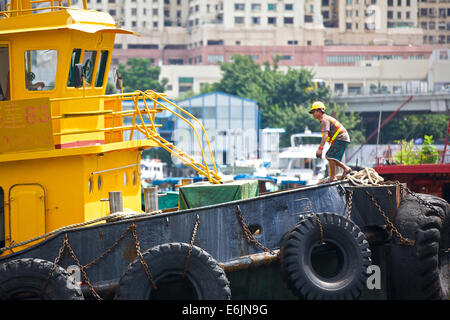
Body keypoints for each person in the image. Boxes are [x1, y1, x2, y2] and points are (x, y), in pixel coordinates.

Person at [309, 101, 352, 182]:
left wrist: (320, 148)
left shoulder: (324, 120)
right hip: (341, 138)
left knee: (329, 156)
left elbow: (325, 135)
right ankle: (346, 169)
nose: (313, 114)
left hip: (341, 138)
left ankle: (333, 177)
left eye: (313, 112)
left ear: (319, 111)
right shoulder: (324, 119)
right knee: (331, 157)